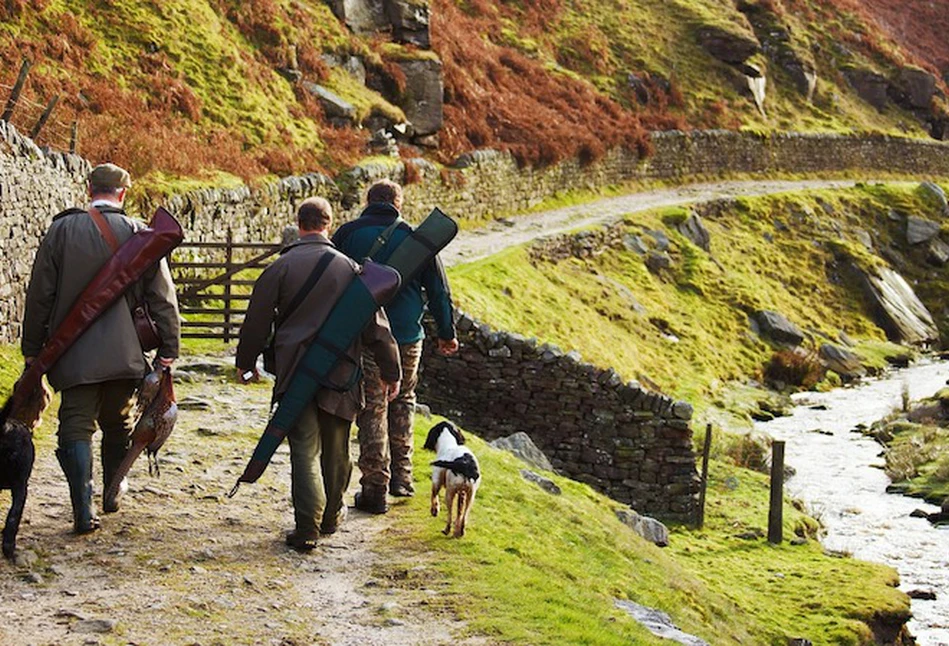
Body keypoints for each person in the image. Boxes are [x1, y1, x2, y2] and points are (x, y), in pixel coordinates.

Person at [21, 162, 180, 534]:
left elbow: (39, 295)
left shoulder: (61, 230)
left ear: (88, 187)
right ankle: (112, 492)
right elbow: (163, 298)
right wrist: (168, 350)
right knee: (119, 422)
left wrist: (32, 350)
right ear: (123, 193)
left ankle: (82, 509)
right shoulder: (141, 233)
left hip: (72, 354)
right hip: (126, 355)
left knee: (75, 427)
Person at [236, 197, 401, 551]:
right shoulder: (352, 269)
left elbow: (256, 321)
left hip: (295, 372)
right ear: (329, 224)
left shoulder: (280, 268)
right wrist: (392, 371)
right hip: (341, 373)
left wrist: (246, 362)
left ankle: (307, 527)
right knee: (337, 449)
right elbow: (378, 329)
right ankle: (331, 516)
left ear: (300, 223)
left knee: (303, 450)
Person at [332, 179, 458, 514]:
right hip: (406, 336)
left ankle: (375, 486)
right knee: (403, 400)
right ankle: (401, 478)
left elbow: (330, 280)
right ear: (398, 204)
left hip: (363, 334)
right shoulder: (417, 239)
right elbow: (439, 292)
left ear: (368, 201)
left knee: (373, 405)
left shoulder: (346, 235)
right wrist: (447, 333)